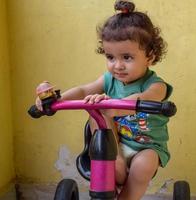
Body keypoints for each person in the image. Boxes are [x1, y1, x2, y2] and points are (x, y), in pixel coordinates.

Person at [36, 0, 173, 199]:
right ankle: (115, 160)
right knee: (95, 106)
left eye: (127, 57)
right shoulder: (108, 79)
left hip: (146, 146)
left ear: (150, 56)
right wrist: (56, 101)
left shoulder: (156, 85)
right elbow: (83, 90)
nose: (117, 66)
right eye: (110, 57)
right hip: (114, 145)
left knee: (143, 166)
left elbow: (143, 98)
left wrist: (114, 107)